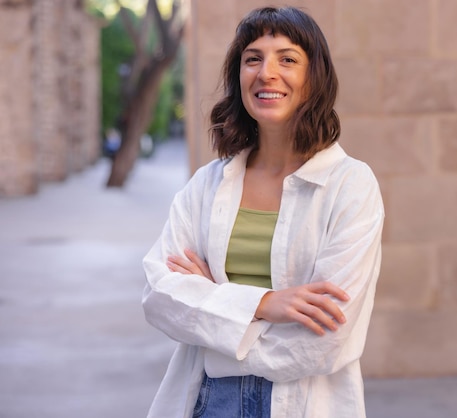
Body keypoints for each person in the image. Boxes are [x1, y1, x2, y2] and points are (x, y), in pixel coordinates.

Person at [142, 6, 384, 418]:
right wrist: (266, 304)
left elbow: (325, 340)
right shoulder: (206, 184)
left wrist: (213, 305)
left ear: (315, 77)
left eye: (287, 59)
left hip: (307, 403)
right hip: (207, 401)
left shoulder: (350, 186)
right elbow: (159, 297)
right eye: (252, 58)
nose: (266, 72)